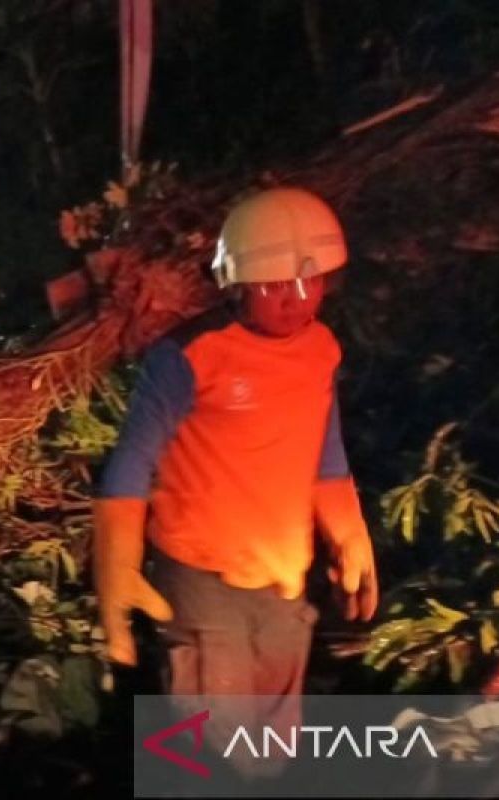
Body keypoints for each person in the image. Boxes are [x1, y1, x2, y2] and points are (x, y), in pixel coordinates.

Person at [93, 187, 378, 775]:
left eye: (312, 281)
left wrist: (351, 540)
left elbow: (325, 457)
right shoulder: (191, 355)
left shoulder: (320, 350)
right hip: (201, 581)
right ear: (237, 282)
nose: (297, 300)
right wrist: (116, 573)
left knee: (271, 752)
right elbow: (128, 467)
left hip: (282, 580)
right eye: (276, 284)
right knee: (209, 752)